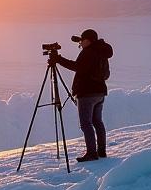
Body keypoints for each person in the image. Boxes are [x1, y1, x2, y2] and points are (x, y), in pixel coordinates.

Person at [49, 29, 114, 162]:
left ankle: (91, 153)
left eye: (82, 41)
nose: (80, 44)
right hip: (100, 92)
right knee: (97, 122)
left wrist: (58, 59)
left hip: (87, 93)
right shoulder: (101, 51)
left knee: (86, 123)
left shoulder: (89, 52)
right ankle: (101, 151)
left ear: (88, 40)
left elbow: (77, 67)